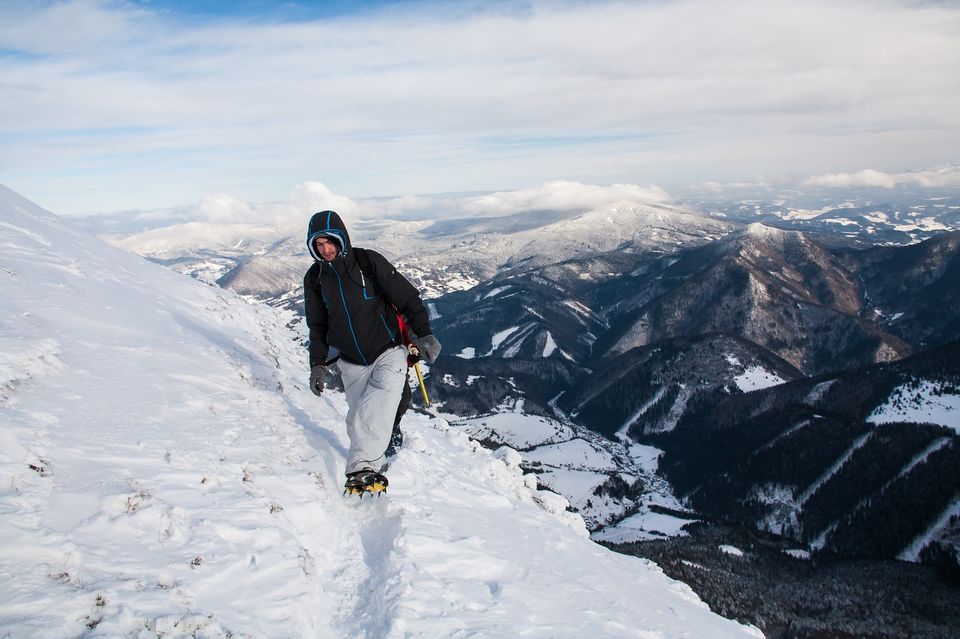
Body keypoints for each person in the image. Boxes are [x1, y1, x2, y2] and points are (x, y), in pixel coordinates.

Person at [303, 210, 440, 495]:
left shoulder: (367, 262)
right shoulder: (315, 279)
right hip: (351, 362)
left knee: (376, 407)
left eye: (330, 242)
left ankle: (363, 469)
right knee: (358, 419)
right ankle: (387, 439)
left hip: (388, 351)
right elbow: (317, 326)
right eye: (319, 244)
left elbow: (407, 297)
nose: (326, 249)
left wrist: (424, 333)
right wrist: (317, 364)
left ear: (342, 239)